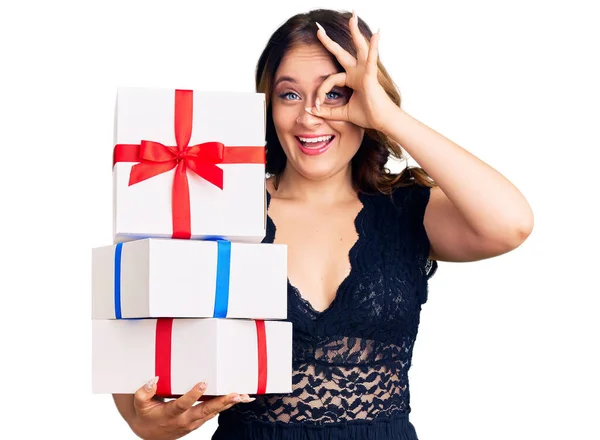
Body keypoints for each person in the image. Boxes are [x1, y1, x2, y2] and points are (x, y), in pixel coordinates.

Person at [112, 8, 534, 440]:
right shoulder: (214, 205)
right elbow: (137, 340)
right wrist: (140, 418)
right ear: (268, 106)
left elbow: (511, 225)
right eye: (289, 95)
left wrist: (388, 117)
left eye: (335, 94)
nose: (309, 116)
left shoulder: (409, 211)